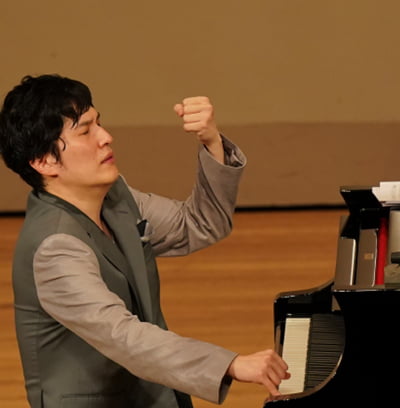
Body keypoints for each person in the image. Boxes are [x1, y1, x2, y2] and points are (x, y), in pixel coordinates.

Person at [0, 74, 289, 408]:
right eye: (86, 131)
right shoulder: (55, 248)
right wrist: (231, 364)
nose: (106, 137)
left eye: (99, 123)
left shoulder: (116, 198)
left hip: (151, 392)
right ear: (44, 161)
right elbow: (124, 337)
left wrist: (211, 141)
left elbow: (199, 224)